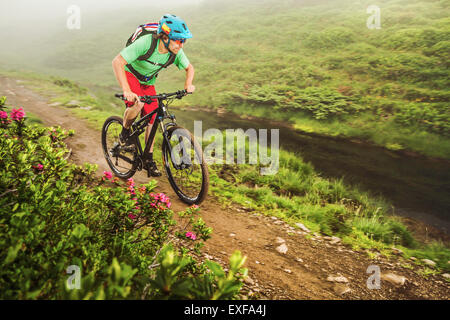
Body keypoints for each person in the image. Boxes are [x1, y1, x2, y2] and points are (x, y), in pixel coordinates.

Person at [112, 14, 195, 177]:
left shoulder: (175, 52)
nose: (181, 45)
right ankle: (125, 132)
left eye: (183, 41)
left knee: (153, 115)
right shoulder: (146, 43)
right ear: (164, 37)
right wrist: (126, 90)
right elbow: (118, 62)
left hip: (148, 81)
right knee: (139, 104)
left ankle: (148, 158)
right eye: (178, 40)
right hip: (131, 74)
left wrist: (188, 84)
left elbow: (189, 68)